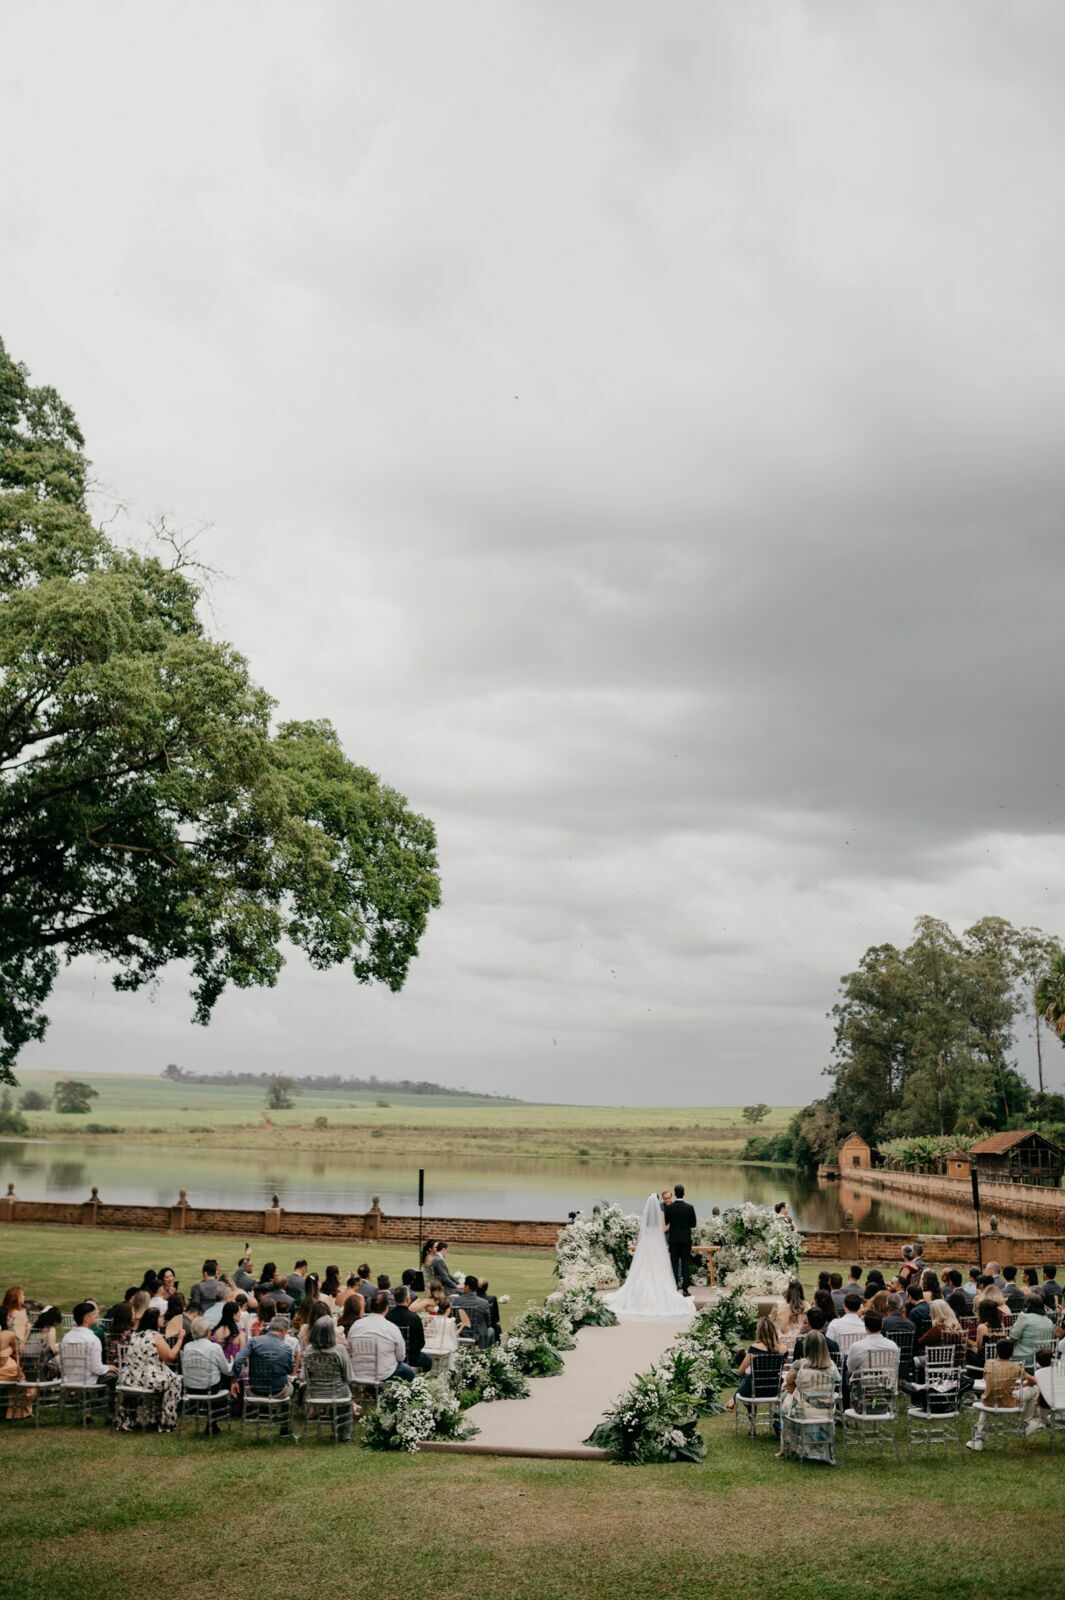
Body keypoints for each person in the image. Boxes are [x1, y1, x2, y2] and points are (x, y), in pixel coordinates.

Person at [603, 1194, 697, 1320]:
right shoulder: (661, 1213)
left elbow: (642, 1229)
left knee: (643, 1266)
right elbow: (663, 1229)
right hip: (657, 1243)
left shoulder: (644, 1213)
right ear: (658, 1201)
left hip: (646, 1244)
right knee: (659, 1265)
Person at [777, 1329, 839, 1464]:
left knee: (783, 1400)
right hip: (826, 1411)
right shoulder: (832, 1366)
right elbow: (837, 1381)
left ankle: (787, 1447)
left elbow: (788, 1380)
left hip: (804, 1411)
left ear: (807, 1346)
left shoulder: (800, 1364)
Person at [966, 1337, 1040, 1449]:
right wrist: (1022, 1386)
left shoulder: (989, 1363)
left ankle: (978, 1439)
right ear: (1012, 1353)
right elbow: (1034, 1381)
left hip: (989, 1401)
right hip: (1008, 1402)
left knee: (991, 1398)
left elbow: (988, 1381)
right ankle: (1025, 1424)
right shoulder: (1015, 1367)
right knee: (1035, 1389)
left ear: (996, 1351)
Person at [116, 1307, 182, 1431]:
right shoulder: (155, 1336)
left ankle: (142, 1418)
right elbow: (170, 1357)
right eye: (161, 1317)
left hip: (130, 1378)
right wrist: (180, 1340)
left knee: (168, 1379)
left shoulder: (135, 1334)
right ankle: (167, 1421)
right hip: (148, 1379)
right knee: (175, 1382)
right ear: (155, 1319)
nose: (163, 1319)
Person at [304, 1316, 359, 1441]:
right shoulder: (339, 1350)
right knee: (343, 1392)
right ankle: (343, 1433)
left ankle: (337, 1429)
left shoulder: (308, 1351)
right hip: (339, 1393)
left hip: (315, 1394)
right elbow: (349, 1377)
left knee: (339, 1392)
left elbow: (305, 1377)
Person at [348, 1292, 414, 1383]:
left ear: (370, 1307)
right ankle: (395, 1395)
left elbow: (349, 1350)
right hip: (383, 1374)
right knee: (408, 1372)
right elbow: (401, 1356)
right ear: (387, 1308)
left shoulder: (356, 1325)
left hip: (357, 1372)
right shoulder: (392, 1328)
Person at [231, 1315, 296, 1399]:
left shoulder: (254, 1341)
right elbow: (290, 1370)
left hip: (254, 1390)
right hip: (277, 1391)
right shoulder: (287, 1348)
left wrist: (234, 1380)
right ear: (284, 1331)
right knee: (291, 1386)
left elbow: (238, 1359)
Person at [726, 1317, 783, 1410]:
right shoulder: (783, 1349)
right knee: (749, 1374)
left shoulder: (754, 1349)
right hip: (774, 1390)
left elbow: (740, 1371)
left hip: (753, 1391)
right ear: (774, 1331)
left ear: (759, 1332)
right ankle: (733, 1400)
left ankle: (743, 1406)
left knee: (747, 1374)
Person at [60, 1301, 118, 1390]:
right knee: (115, 1375)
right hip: (89, 1381)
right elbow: (97, 1369)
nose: (97, 1316)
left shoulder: (66, 1338)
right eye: (95, 1315)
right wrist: (108, 1367)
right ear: (87, 1318)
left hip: (69, 1380)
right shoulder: (92, 1339)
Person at [181, 1316, 233, 1393]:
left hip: (190, 1388)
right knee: (225, 1377)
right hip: (210, 1389)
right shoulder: (215, 1347)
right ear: (208, 1331)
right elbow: (226, 1370)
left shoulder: (187, 1347)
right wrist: (232, 1362)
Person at [663, 1183, 697, 1295]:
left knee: (674, 1263)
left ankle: (674, 1287)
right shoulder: (690, 1207)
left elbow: (667, 1222)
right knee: (685, 1264)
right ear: (683, 1193)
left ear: (675, 1194)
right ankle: (685, 1289)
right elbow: (693, 1224)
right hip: (686, 1240)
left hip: (673, 1240)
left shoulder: (670, 1208)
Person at [388, 1285, 432, 1370]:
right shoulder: (414, 1317)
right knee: (428, 1361)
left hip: (391, 1355)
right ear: (408, 1299)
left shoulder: (388, 1316)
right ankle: (421, 1381)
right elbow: (421, 1342)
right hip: (411, 1357)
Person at [1009, 1295, 1056, 1371]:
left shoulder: (1024, 1317)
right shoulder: (1049, 1322)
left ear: (1027, 1306)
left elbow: (1013, 1338)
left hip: (1023, 1359)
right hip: (1043, 1360)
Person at [450, 1276, 496, 1347]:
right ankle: (487, 1354)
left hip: (461, 1333)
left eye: (464, 1285)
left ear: (467, 1287)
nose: (463, 1287)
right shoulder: (484, 1303)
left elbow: (453, 1319)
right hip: (478, 1336)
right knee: (491, 1330)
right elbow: (488, 1323)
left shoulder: (456, 1301)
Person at [22, 1306, 63, 1378]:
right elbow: (52, 1350)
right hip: (41, 1364)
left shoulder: (34, 1328)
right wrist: (62, 1349)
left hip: (27, 1363)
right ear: (55, 1321)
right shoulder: (50, 1329)